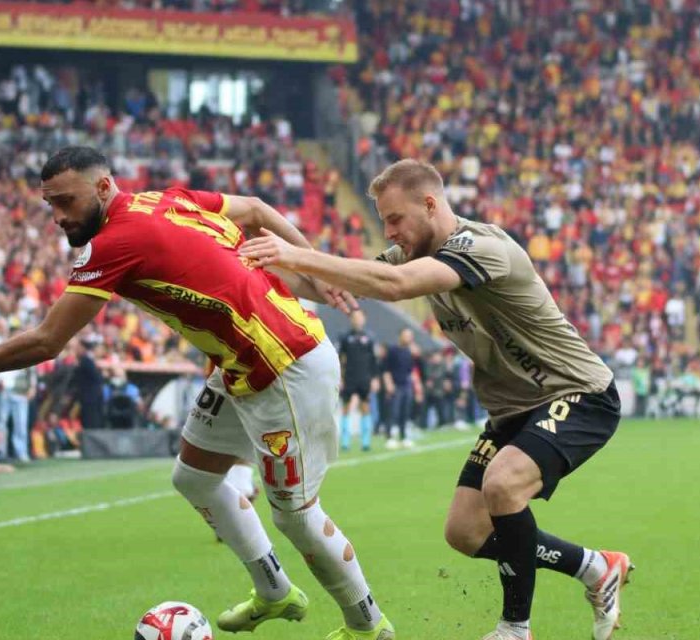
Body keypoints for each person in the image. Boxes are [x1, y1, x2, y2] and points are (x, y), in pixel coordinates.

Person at [0, 146, 395, 640]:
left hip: (285, 367)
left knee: (294, 514)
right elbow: (253, 207)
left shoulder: (113, 243)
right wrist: (314, 268)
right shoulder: (163, 201)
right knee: (194, 477)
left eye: (66, 202)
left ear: (103, 188)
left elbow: (47, 340)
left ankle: (368, 626)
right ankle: (275, 592)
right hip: (242, 366)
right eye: (50, 204)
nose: (57, 217)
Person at [240, 159, 631, 640]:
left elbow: (395, 285)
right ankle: (595, 568)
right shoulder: (412, 255)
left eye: (395, 218)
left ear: (430, 204)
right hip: (514, 409)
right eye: (383, 220)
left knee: (503, 486)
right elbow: (334, 282)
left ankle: (515, 628)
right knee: (466, 532)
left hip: (577, 392)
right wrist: (256, 261)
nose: (389, 231)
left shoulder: (481, 247)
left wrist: (295, 254)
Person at [337, 310, 379, 452]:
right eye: (355, 317)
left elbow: (373, 360)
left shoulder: (369, 337)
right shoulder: (345, 337)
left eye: (360, 317)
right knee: (346, 408)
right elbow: (340, 358)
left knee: (365, 407)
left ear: (364, 319)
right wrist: (340, 378)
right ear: (351, 319)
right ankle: (345, 442)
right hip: (349, 377)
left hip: (364, 378)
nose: (357, 320)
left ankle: (366, 442)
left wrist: (374, 378)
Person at [381, 329, 416, 449]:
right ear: (400, 336)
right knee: (393, 412)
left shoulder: (408, 352)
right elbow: (385, 369)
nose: (409, 338)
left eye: (410, 336)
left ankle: (404, 437)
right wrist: (389, 384)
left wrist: (414, 385)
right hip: (395, 385)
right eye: (406, 335)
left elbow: (410, 371)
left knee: (404, 412)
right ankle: (389, 438)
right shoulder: (392, 350)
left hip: (406, 385)